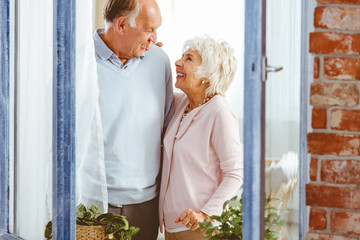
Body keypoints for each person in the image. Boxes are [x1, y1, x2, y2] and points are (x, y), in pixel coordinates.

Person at [91, 0, 173, 239]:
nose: (154, 37)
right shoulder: (80, 61)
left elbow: (166, 127)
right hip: (94, 202)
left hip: (145, 206)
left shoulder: (159, 61)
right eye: (149, 29)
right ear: (122, 24)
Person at [158, 36, 244, 240]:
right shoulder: (182, 104)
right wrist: (151, 52)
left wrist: (206, 214)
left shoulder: (219, 111)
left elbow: (235, 173)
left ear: (207, 74)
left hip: (201, 230)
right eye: (181, 57)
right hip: (172, 227)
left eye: (189, 58)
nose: (178, 62)